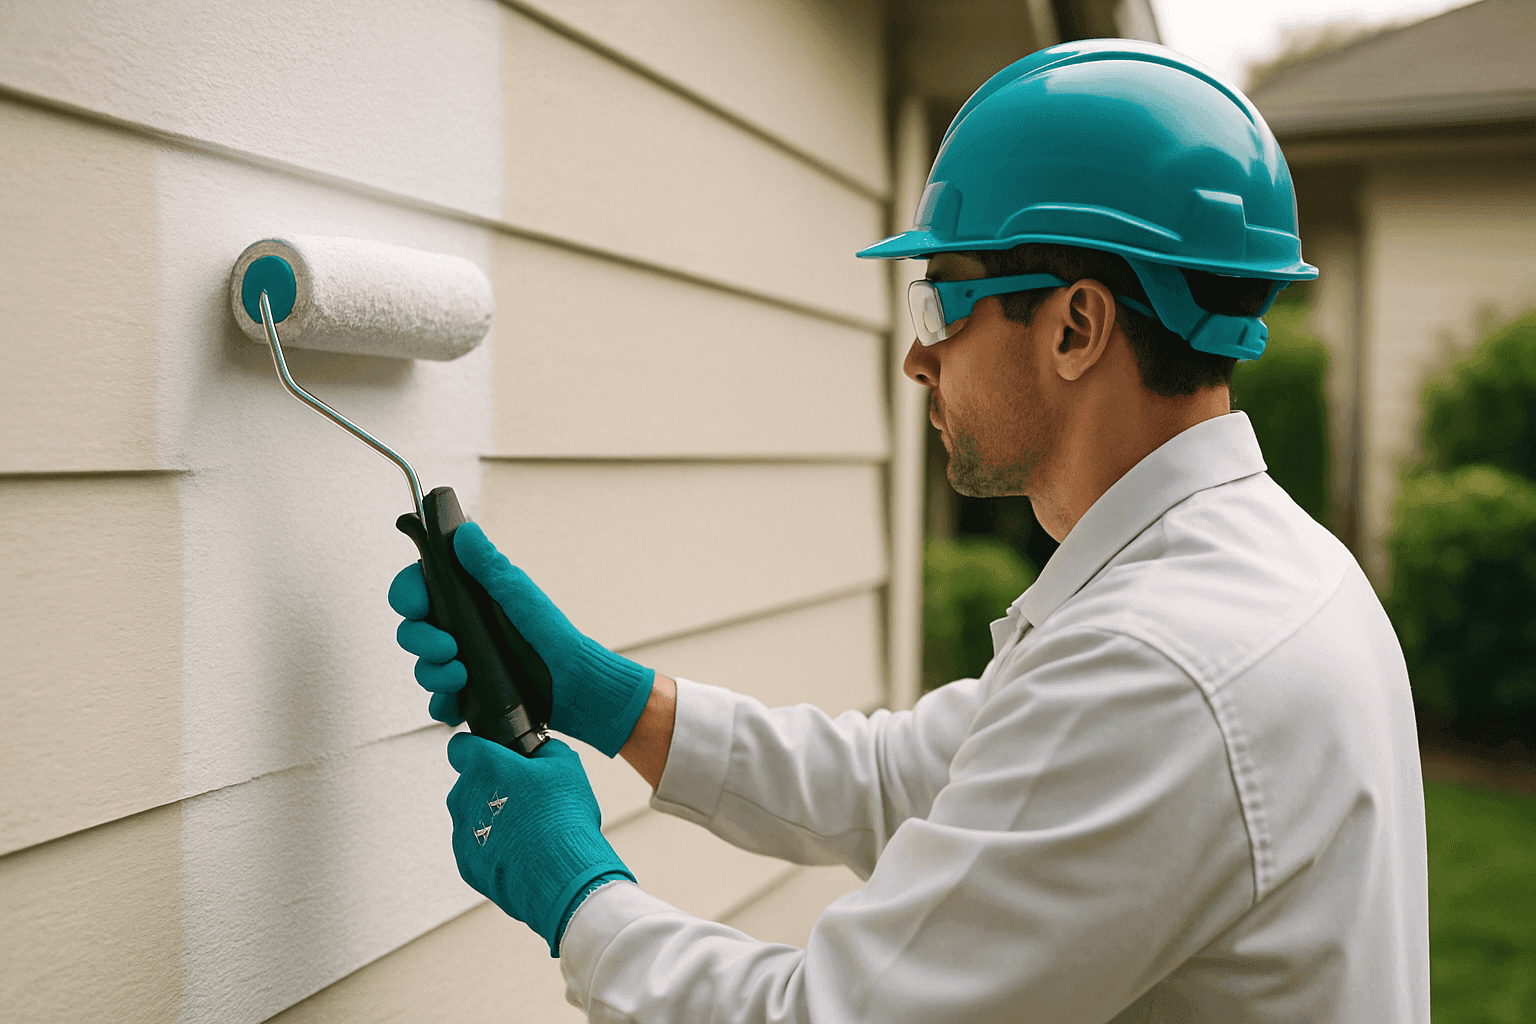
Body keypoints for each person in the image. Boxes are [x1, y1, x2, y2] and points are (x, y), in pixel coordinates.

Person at [389, 39, 1429, 1023]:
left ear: (1076, 326)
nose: (915, 359)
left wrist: (577, 892)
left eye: (939, 305)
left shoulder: (1160, 666)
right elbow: (905, 780)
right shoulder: (1256, 571)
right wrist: (609, 697)